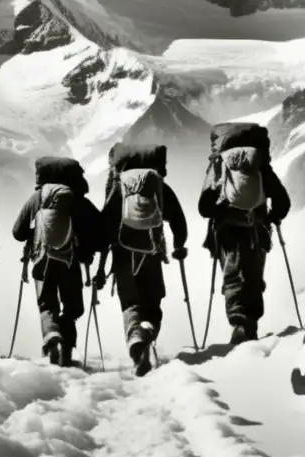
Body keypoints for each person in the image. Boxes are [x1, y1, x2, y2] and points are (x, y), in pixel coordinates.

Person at [94, 142, 188, 377]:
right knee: (153, 303)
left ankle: (136, 337)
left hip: (122, 253)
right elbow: (178, 219)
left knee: (131, 304)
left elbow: (105, 227)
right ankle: (147, 331)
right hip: (152, 252)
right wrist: (178, 246)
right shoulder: (158, 185)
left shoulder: (119, 185)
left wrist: (100, 268)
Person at [198, 122, 291, 345]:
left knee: (232, 277)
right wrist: (272, 217)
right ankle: (251, 326)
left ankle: (239, 324)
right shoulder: (259, 164)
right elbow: (282, 200)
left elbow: (204, 207)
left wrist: (219, 212)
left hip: (227, 231)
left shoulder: (219, 166)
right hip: (257, 229)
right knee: (253, 277)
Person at [12, 156, 97, 367]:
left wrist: (35, 233)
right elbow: (97, 231)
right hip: (70, 260)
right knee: (72, 307)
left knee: (47, 304)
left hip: (42, 259)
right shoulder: (76, 198)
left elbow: (17, 231)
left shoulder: (38, 197)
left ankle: (51, 335)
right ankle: (66, 353)